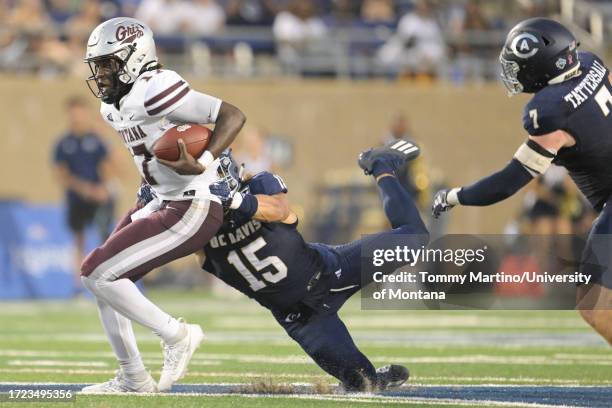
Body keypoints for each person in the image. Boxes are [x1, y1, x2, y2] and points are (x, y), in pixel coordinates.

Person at [80, 17, 246, 393]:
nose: (101, 73)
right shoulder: (113, 107)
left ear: (136, 57)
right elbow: (150, 156)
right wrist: (147, 193)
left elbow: (231, 116)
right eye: (98, 65)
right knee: (105, 281)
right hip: (161, 199)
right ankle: (134, 378)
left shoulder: (155, 88)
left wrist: (203, 162)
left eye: (109, 63)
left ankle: (178, 335)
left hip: (193, 203)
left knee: (96, 272)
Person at [431, 18, 612, 345]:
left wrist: (454, 196)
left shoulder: (550, 111)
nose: (513, 72)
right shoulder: (590, 63)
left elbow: (508, 182)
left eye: (520, 65)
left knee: (594, 306)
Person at [195, 139, 427, 391]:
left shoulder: (257, 185)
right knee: (362, 384)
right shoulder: (195, 227)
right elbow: (162, 243)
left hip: (331, 270)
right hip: (302, 319)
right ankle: (373, 377)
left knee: (413, 237)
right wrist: (153, 208)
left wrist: (235, 201)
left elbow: (281, 210)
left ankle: (381, 166)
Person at [52, 96, 114, 294]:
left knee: (106, 238)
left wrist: (103, 189)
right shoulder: (63, 143)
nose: (77, 116)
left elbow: (110, 166)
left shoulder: (96, 140)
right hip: (77, 197)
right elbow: (61, 175)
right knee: (78, 239)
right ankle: (77, 286)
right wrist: (84, 189)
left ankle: (108, 280)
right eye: (73, 112)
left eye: (80, 111)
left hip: (98, 197)